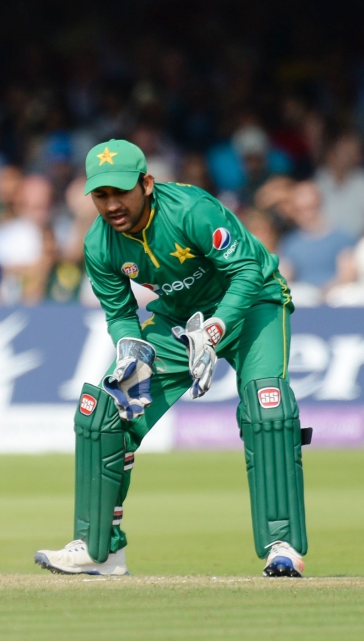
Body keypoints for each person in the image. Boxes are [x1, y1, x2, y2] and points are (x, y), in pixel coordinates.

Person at [35, 140, 308, 578]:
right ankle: (100, 551)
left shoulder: (192, 210)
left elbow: (247, 270)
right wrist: (129, 347)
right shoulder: (99, 244)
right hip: (179, 320)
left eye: (121, 192)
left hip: (255, 302)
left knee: (266, 406)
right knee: (107, 413)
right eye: (100, 195)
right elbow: (121, 313)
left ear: (147, 183)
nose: (111, 205)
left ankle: (284, 547)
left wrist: (215, 330)